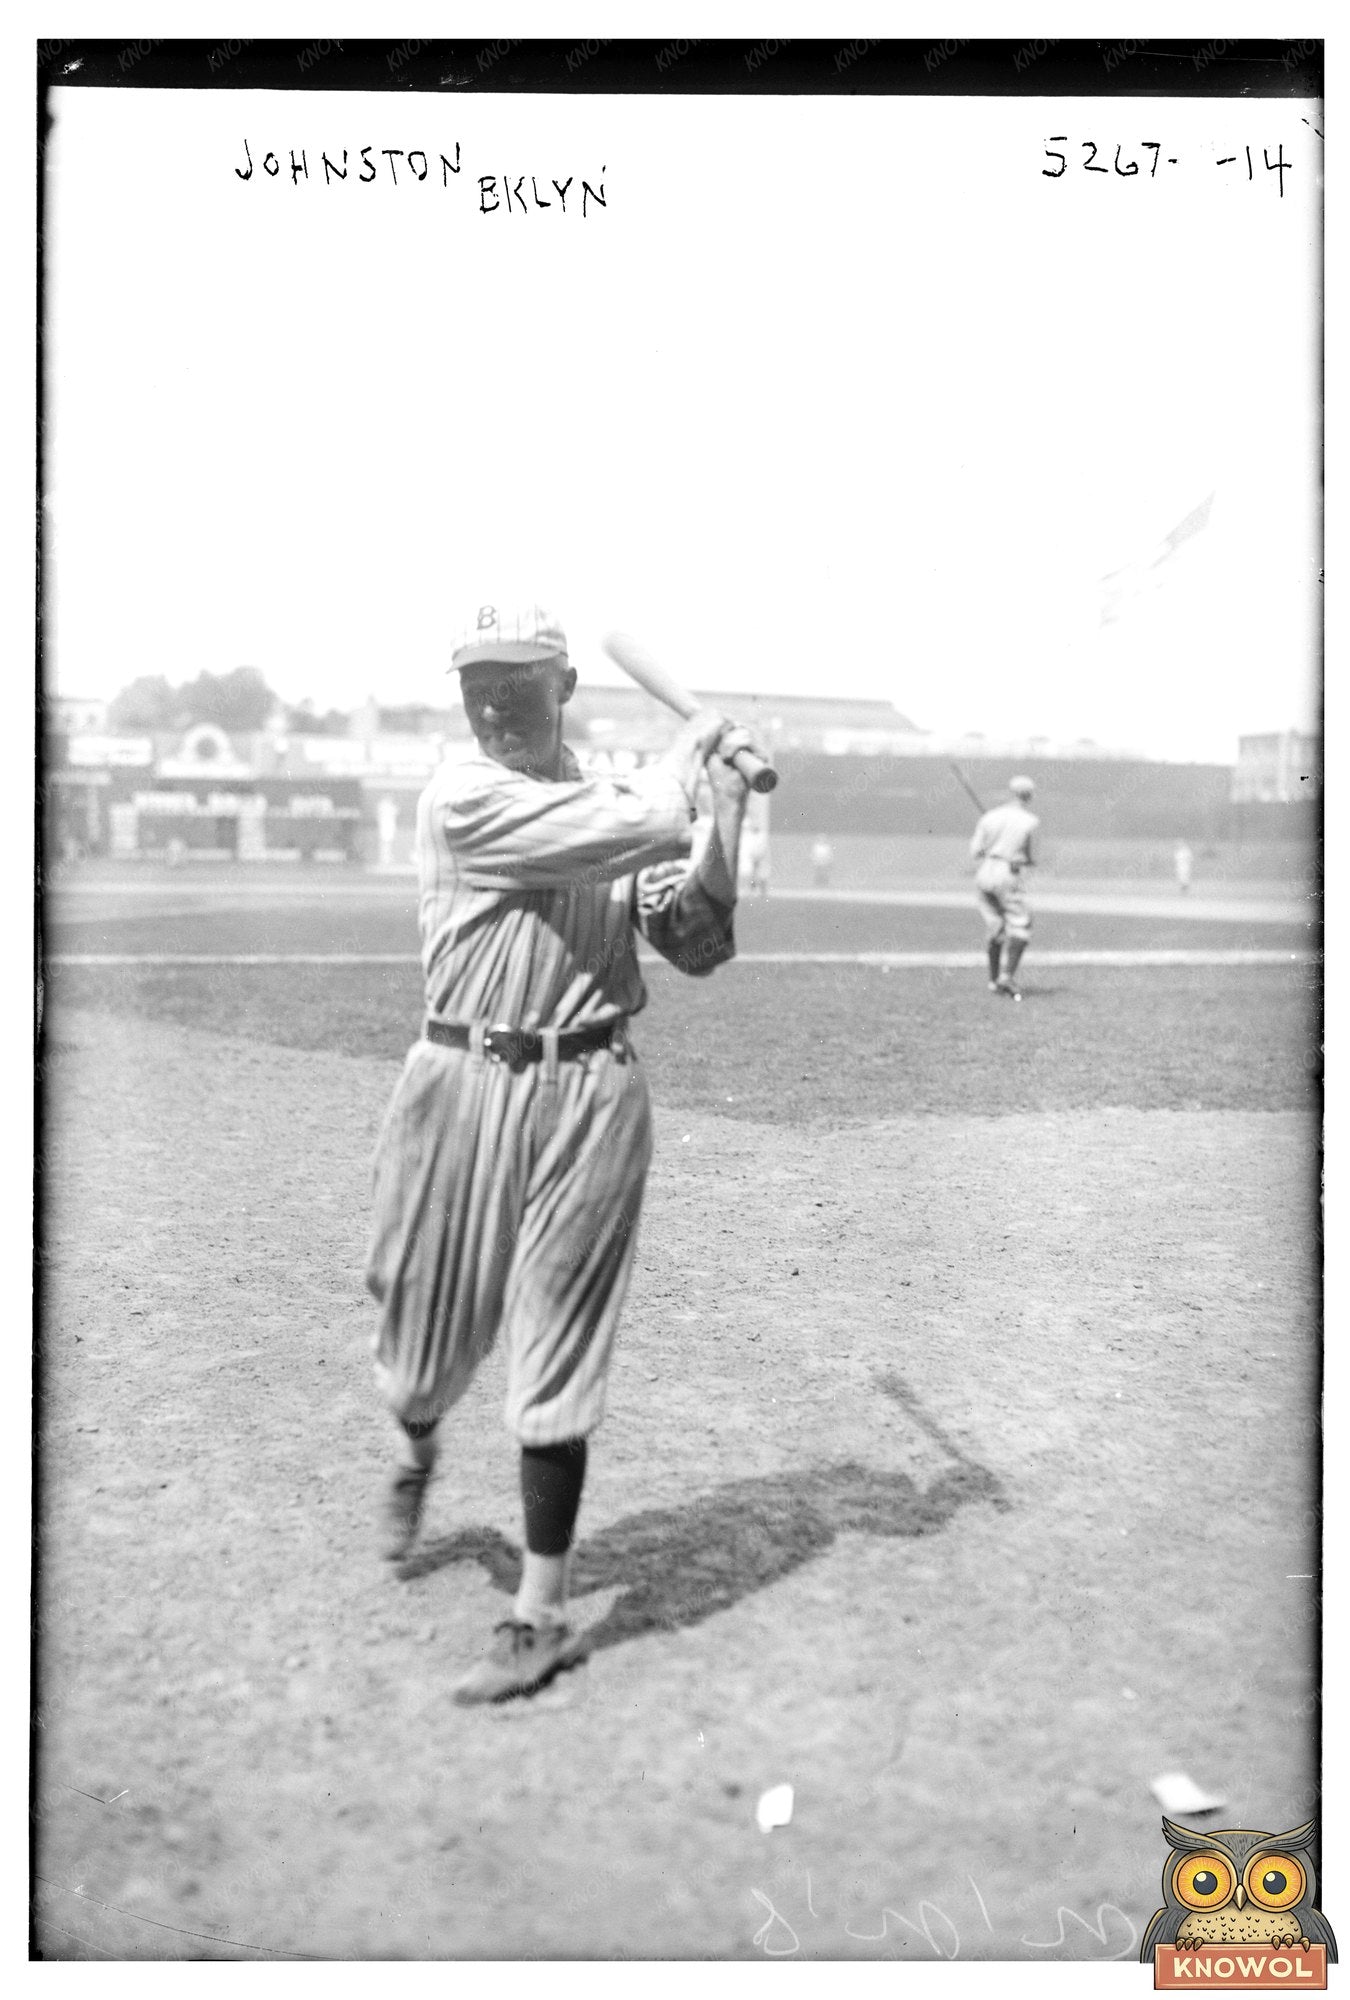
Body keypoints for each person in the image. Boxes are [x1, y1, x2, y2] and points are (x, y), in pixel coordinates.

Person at [364, 602, 757, 1705]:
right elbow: (619, 825)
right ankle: (416, 1441)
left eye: (520, 684)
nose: (495, 705)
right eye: (478, 684)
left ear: (566, 687)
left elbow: (697, 942)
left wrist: (722, 814)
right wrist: (693, 759)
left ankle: (538, 1611)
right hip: (459, 1084)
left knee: (556, 1346)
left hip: (592, 1087)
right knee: (421, 1343)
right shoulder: (463, 796)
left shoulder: (625, 800)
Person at [970, 775, 1040, 1000]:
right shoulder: (1029, 821)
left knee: (995, 926)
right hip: (1008, 873)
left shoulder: (989, 817)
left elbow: (976, 851)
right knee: (1020, 925)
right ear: (1029, 795)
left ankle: (993, 980)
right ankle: (1006, 976)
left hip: (985, 872)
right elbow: (1030, 857)